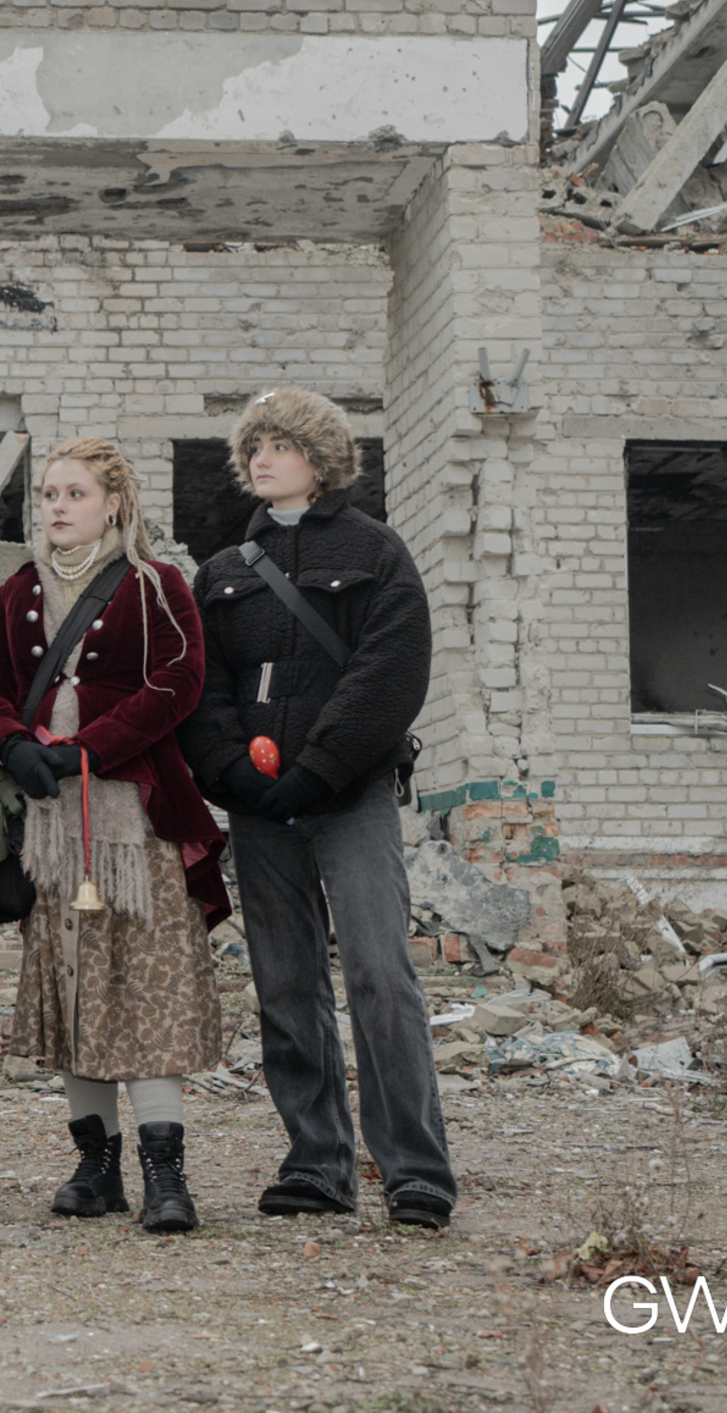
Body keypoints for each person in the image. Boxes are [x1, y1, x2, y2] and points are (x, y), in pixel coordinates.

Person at [176, 387, 458, 1230]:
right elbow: (204, 687)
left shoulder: (378, 553)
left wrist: (321, 768)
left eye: (280, 443)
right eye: (253, 445)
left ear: (321, 456)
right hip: (260, 808)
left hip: (351, 797)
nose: (261, 457)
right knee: (287, 983)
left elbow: (390, 674)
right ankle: (317, 1159)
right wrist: (231, 772)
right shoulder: (222, 573)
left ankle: (414, 1169)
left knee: (379, 974)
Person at [0, 438, 230, 1234]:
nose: (55, 506)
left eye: (73, 492)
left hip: (141, 818)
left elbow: (179, 682)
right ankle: (96, 1165)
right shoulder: (17, 591)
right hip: (53, 827)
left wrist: (91, 749)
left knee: (148, 992)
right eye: (47, 493)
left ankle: (164, 1173)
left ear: (112, 502)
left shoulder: (159, 586)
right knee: (77, 990)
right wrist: (12, 744)